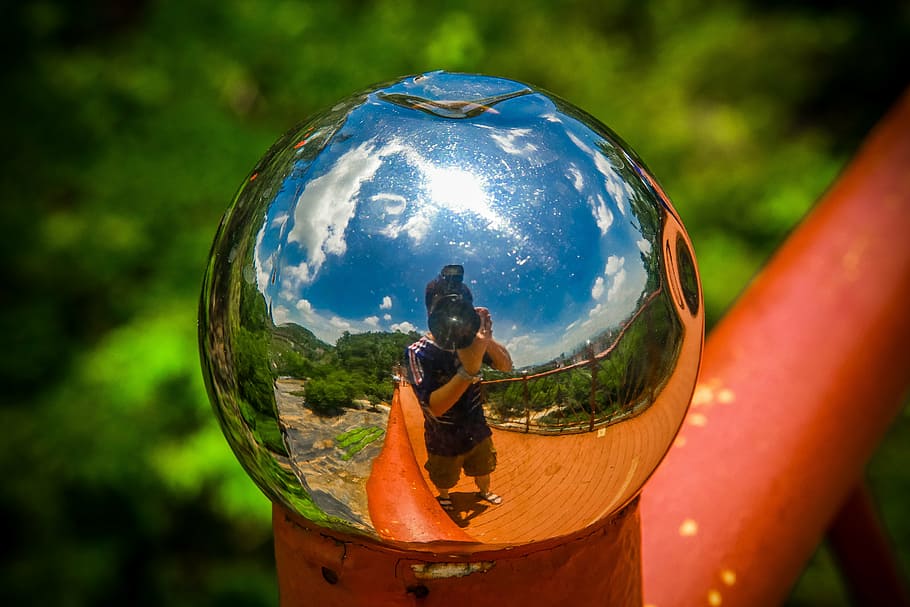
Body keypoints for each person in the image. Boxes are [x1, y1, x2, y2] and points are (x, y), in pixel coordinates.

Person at [406, 265, 512, 511]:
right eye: (444, 308)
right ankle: (444, 495)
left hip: (477, 428)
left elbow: (506, 366)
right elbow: (435, 408)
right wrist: (469, 370)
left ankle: (484, 491)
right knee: (444, 475)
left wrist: (484, 336)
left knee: (483, 466)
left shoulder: (474, 341)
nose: (452, 317)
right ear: (430, 311)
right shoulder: (418, 352)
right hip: (441, 437)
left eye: (460, 308)